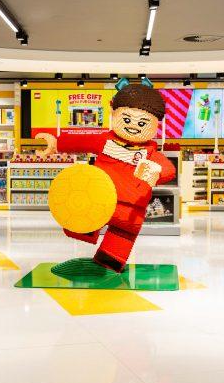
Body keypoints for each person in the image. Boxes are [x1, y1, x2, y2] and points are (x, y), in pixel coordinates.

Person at [38, 81, 175, 272]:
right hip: (97, 198)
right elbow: (81, 141)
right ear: (114, 114)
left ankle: (109, 261)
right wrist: (56, 144)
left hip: (129, 209)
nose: (134, 126)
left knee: (118, 244)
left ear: (155, 124)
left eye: (142, 123)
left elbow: (168, 169)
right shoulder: (104, 141)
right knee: (80, 222)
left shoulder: (151, 154)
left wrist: (156, 171)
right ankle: (85, 232)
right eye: (126, 119)